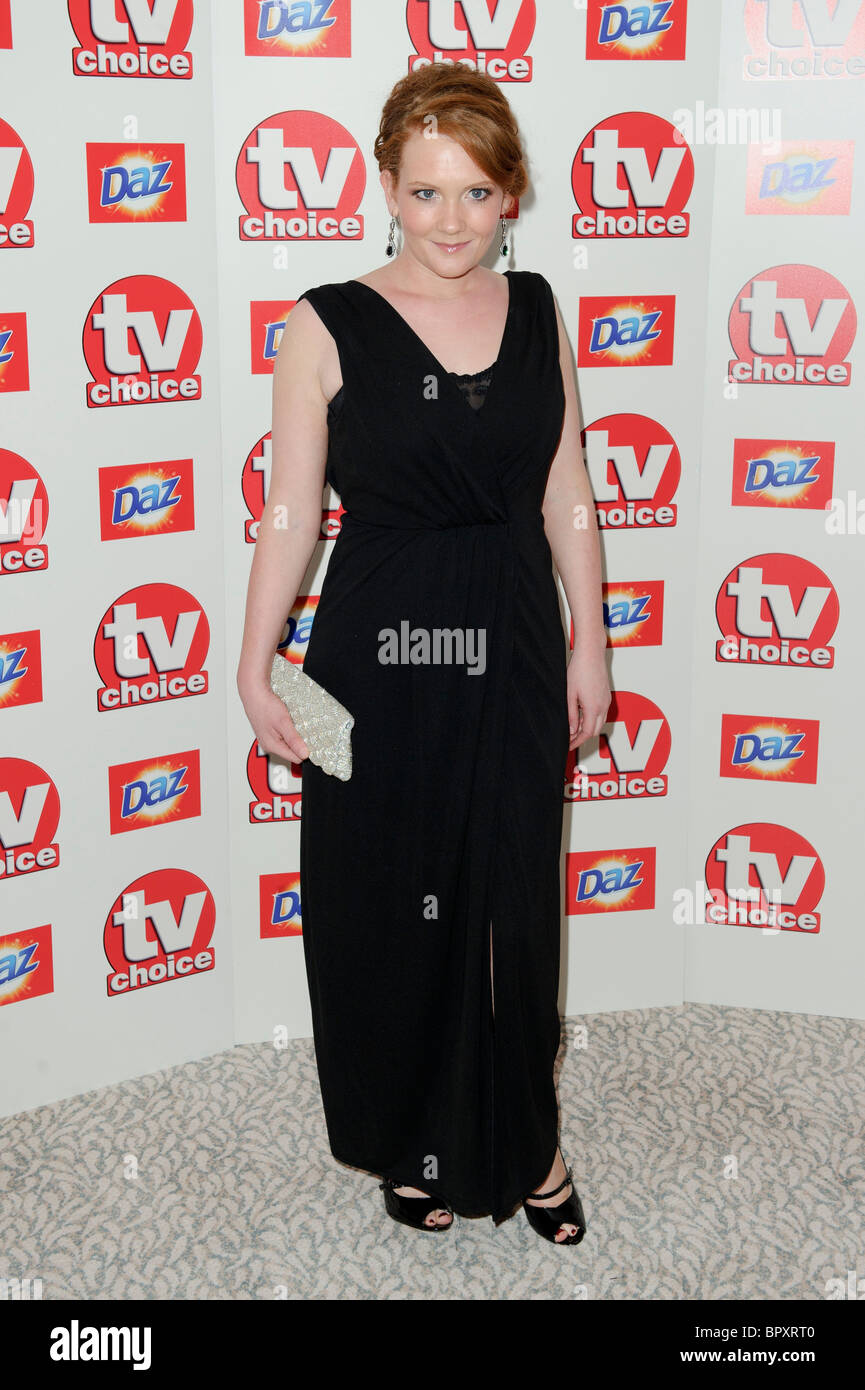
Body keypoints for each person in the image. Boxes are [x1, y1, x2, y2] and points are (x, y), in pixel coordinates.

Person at [237, 63, 610, 1244]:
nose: (451, 221)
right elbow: (290, 513)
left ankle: (530, 1141)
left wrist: (589, 639)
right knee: (383, 901)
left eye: (477, 193)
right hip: (375, 653)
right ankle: (413, 1137)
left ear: (512, 197)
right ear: (385, 189)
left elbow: (568, 492)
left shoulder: (539, 308)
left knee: (509, 902)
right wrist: (255, 661)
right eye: (426, 192)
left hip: (508, 637)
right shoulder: (323, 321)